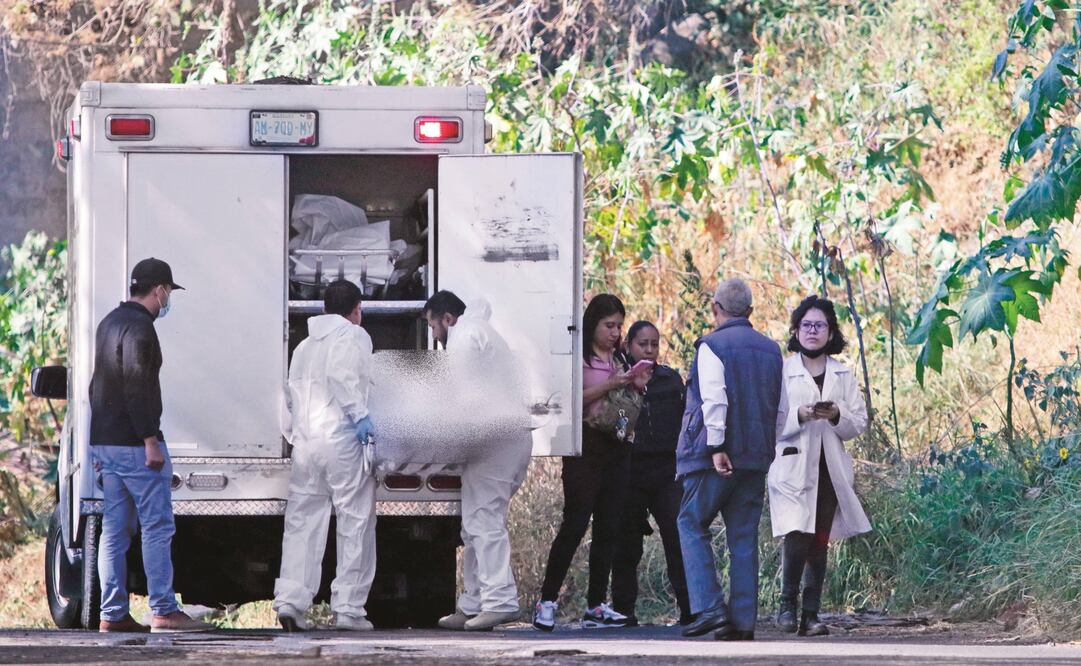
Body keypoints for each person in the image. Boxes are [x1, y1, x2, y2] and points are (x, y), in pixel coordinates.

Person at [90, 257, 212, 633]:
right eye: (169, 292)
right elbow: (136, 386)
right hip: (135, 445)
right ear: (158, 289)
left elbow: (97, 386)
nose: (168, 299)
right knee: (157, 527)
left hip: (107, 443)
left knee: (113, 530)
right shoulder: (141, 330)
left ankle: (112, 613)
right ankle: (163, 609)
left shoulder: (109, 322)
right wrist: (150, 440)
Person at [677, 278, 787, 642]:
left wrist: (716, 445)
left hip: (716, 457)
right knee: (743, 537)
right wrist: (767, 447)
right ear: (750, 312)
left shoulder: (712, 345)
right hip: (757, 457)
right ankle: (742, 621)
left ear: (715, 308)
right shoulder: (772, 351)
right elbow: (781, 408)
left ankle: (710, 609)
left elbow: (715, 398)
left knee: (691, 522)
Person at [534, 294, 647, 631]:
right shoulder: (578, 359)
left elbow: (626, 401)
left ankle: (596, 605)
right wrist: (610, 384)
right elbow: (568, 401)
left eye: (619, 326)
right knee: (575, 522)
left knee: (608, 526)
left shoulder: (621, 358)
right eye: (608, 325)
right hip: (585, 445)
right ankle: (547, 600)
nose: (615, 332)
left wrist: (636, 384)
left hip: (618, 445)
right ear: (592, 324)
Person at [424, 290, 532, 632]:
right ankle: (473, 603)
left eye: (432, 325)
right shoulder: (480, 332)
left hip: (495, 441)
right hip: (500, 439)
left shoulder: (466, 336)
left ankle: (500, 601)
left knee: (484, 521)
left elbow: (461, 393)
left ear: (447, 319)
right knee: (474, 524)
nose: (433, 335)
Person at [274, 279, 378, 632]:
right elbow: (342, 376)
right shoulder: (353, 335)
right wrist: (361, 416)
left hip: (307, 445)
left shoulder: (303, 346)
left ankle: (291, 601)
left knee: (303, 523)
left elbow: (288, 395)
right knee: (355, 522)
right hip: (342, 442)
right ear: (356, 310)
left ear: (324, 309)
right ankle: (349, 608)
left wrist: (292, 434)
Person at [768, 295, 871, 637]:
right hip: (792, 465)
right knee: (796, 533)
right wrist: (800, 415)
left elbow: (858, 422)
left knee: (819, 540)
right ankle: (787, 607)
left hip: (829, 468)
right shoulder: (782, 371)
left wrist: (836, 414)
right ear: (796, 331)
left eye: (820, 325)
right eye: (806, 325)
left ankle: (810, 615)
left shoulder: (842, 374)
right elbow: (768, 421)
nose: (813, 331)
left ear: (830, 332)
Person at [610, 321, 693, 626]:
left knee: (677, 538)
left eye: (654, 344)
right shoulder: (618, 378)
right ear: (629, 345)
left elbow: (685, 423)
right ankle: (622, 610)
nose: (648, 350)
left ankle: (690, 608)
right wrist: (630, 390)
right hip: (630, 470)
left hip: (666, 471)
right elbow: (617, 428)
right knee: (626, 543)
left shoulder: (670, 380)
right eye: (642, 344)